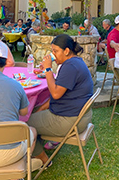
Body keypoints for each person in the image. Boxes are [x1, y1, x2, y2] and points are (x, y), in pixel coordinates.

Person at [28, 34, 93, 165]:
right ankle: (36, 149)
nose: (53, 54)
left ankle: (43, 160)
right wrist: (41, 108)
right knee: (33, 110)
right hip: (78, 115)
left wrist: (48, 69)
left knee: (23, 123)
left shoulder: (70, 66)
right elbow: (57, 93)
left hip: (70, 120)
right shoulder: (75, 62)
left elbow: (56, 94)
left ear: (67, 51)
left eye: (55, 51)